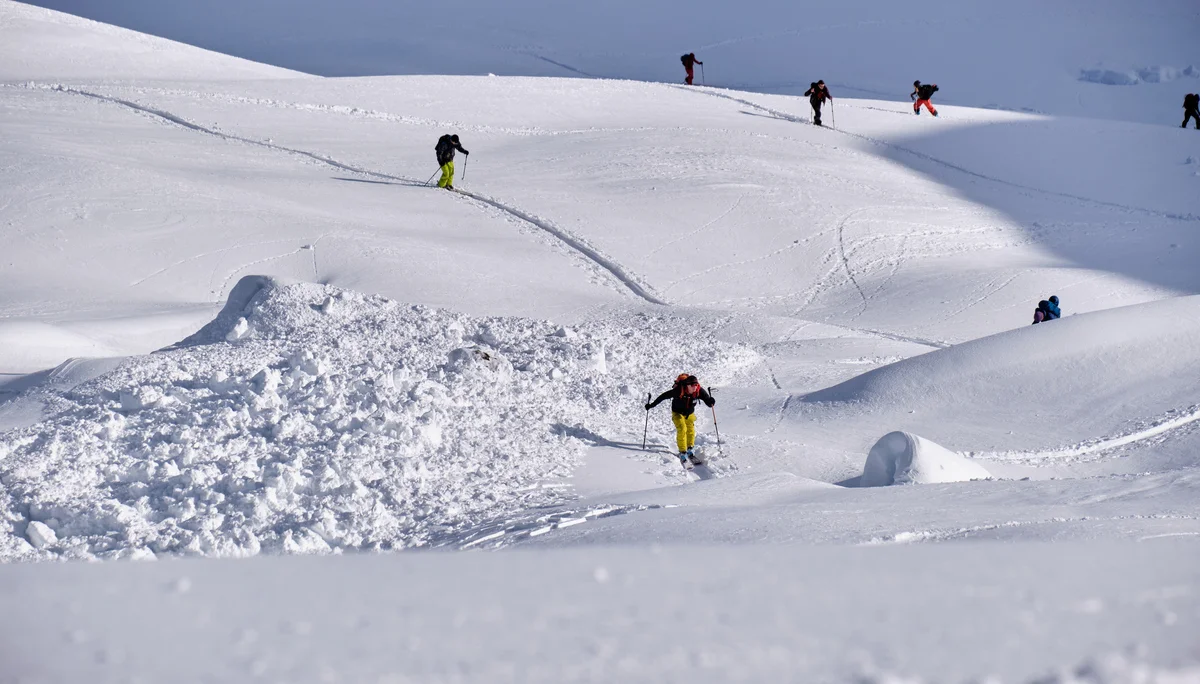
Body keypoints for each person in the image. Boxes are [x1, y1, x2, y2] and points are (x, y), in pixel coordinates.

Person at [646, 373, 715, 465]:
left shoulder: (698, 390)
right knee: (682, 429)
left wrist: (711, 402)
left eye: (696, 385)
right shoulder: (679, 390)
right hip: (677, 413)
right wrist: (651, 405)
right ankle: (682, 452)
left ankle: (690, 448)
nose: (695, 387)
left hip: (689, 413)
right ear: (687, 385)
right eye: (692, 385)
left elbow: (707, 400)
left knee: (690, 430)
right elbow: (664, 396)